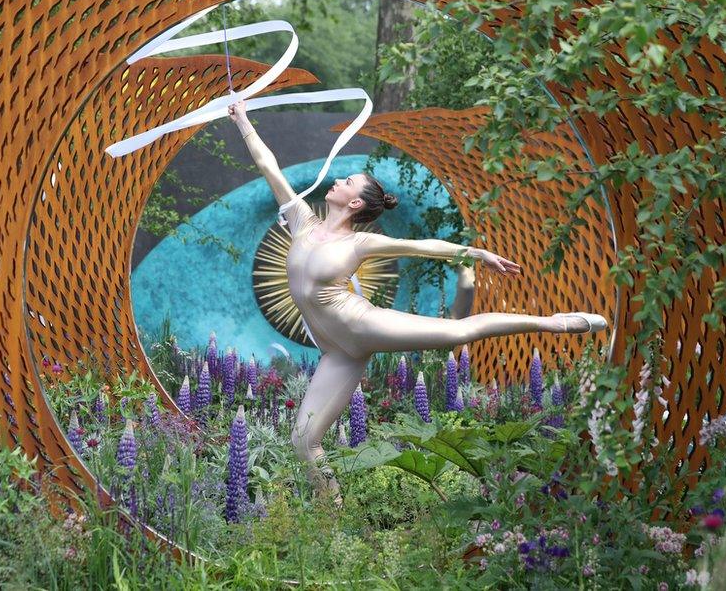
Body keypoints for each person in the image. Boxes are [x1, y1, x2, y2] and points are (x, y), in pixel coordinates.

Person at [228, 100, 607, 504]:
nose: (337, 182)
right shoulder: (303, 219)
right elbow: (269, 166)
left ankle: (555, 323)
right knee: (303, 440)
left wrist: (475, 253)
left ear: (355, 203)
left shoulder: (360, 242)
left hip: (359, 325)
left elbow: (422, 247)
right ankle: (333, 513)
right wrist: (243, 119)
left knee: (456, 333)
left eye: (347, 183)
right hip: (336, 353)